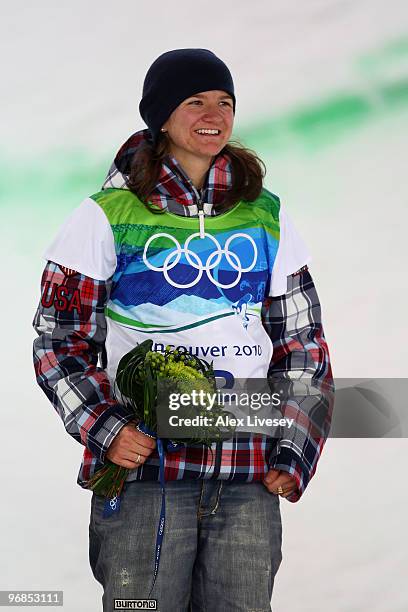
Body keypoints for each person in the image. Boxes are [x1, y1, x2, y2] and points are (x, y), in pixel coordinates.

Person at [32, 48, 333, 612]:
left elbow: (302, 343)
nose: (212, 113)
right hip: (146, 474)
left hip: (246, 473)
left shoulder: (265, 215)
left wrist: (293, 450)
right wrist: (106, 426)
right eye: (194, 101)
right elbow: (58, 340)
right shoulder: (105, 215)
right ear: (162, 116)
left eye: (224, 102)